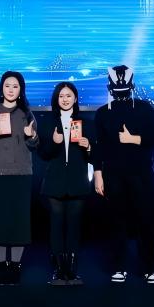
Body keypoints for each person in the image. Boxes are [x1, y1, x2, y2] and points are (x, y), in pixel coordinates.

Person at [94, 65, 154, 284]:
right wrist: (98, 174)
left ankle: (150, 268)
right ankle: (119, 266)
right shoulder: (103, 112)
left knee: (146, 220)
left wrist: (134, 139)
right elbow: (99, 147)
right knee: (117, 221)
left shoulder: (144, 108)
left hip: (141, 173)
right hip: (114, 174)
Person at [0, 71, 38, 285]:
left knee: (18, 221)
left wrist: (31, 136)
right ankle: (1, 265)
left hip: (21, 173)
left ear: (21, 90)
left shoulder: (27, 113)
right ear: (1, 88)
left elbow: (35, 144)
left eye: (15, 86)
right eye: (7, 85)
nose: (11, 89)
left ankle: (15, 265)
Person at [37, 81, 93, 286]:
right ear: (56, 99)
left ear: (75, 98)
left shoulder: (86, 122)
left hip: (77, 180)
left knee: (74, 226)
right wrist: (55, 143)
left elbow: (94, 154)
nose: (65, 99)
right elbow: (43, 154)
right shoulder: (47, 122)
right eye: (61, 96)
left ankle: (72, 271)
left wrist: (88, 147)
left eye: (68, 95)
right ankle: (59, 270)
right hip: (55, 180)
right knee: (56, 224)